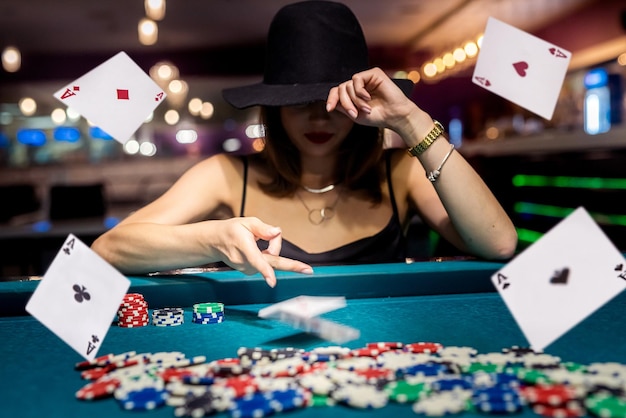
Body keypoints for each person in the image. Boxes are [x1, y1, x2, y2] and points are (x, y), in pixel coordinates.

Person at [91, 0, 517, 287]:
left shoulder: (400, 170)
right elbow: (107, 251)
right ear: (274, 110)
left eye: (333, 101)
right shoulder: (224, 175)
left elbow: (498, 244)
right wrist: (210, 239)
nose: (318, 117)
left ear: (360, 103)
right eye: (298, 103)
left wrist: (411, 119)